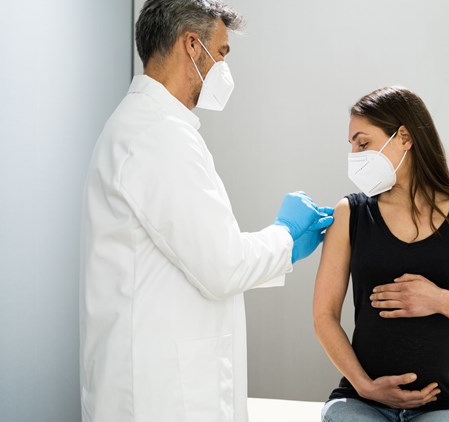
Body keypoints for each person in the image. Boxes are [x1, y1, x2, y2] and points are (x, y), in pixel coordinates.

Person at [79, 1, 333, 421]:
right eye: (221, 53)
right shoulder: (157, 136)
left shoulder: (149, 127)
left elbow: (203, 254)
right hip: (160, 396)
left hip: (157, 380)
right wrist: (286, 234)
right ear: (192, 45)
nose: (224, 69)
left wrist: (283, 243)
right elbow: (223, 266)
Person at [313, 86, 449, 422]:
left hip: (445, 404)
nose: (354, 155)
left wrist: (439, 300)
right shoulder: (350, 214)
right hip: (361, 400)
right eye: (351, 145)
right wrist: (365, 386)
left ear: (405, 137)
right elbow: (324, 315)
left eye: (362, 143)